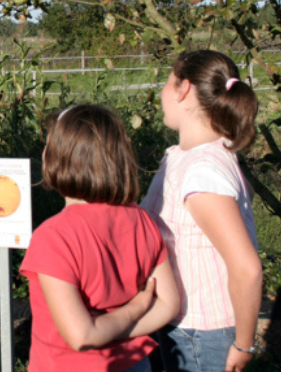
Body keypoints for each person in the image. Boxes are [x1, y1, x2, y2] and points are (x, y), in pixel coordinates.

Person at [19, 105, 180, 372]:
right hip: (135, 363)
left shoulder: (53, 237)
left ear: (57, 159)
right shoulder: (140, 218)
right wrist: (127, 327)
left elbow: (82, 337)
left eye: (48, 145)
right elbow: (168, 303)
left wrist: (132, 309)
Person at [141, 50, 262, 372]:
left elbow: (247, 268)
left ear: (183, 89)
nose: (163, 94)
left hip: (201, 333)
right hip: (183, 324)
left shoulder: (202, 171)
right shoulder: (187, 156)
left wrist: (244, 343)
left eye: (167, 83)